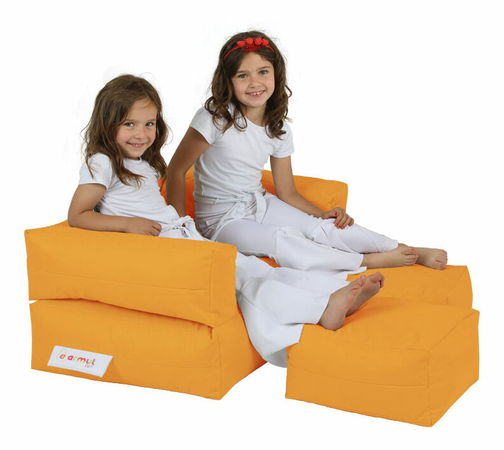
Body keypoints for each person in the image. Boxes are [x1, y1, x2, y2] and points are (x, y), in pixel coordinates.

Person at [67, 74, 384, 367]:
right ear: (107, 124)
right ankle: (320, 310)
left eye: (149, 123)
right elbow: (78, 215)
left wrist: (180, 221)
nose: (141, 134)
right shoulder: (102, 162)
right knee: (242, 281)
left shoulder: (142, 163)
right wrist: (128, 224)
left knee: (254, 268)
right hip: (163, 248)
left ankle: (331, 295)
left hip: (180, 238)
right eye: (129, 124)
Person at [166, 31, 448, 273]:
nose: (255, 83)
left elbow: (287, 191)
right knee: (283, 240)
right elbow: (176, 170)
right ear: (228, 81)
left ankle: (404, 249)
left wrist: (322, 213)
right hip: (222, 220)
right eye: (243, 75)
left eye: (263, 72)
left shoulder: (278, 128)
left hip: (260, 204)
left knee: (324, 229)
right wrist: (184, 228)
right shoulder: (215, 118)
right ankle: (366, 261)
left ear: (276, 74)